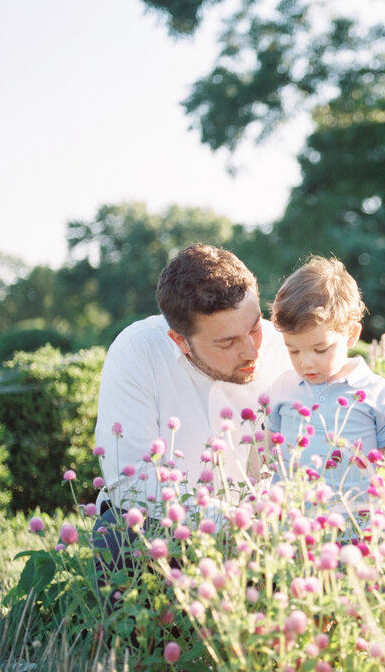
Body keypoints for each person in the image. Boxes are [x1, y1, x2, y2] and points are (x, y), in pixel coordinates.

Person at [92, 243, 293, 581]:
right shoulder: (136, 353)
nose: (251, 351)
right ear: (180, 340)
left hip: (269, 532)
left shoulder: (287, 346)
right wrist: (229, 523)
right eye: (227, 343)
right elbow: (129, 482)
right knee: (116, 534)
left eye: (255, 327)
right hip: (170, 533)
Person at [265, 256, 385, 509]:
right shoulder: (282, 388)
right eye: (293, 351)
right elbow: (267, 453)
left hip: (355, 528)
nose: (306, 363)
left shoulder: (380, 395)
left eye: (320, 349)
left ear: (351, 334)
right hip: (292, 528)